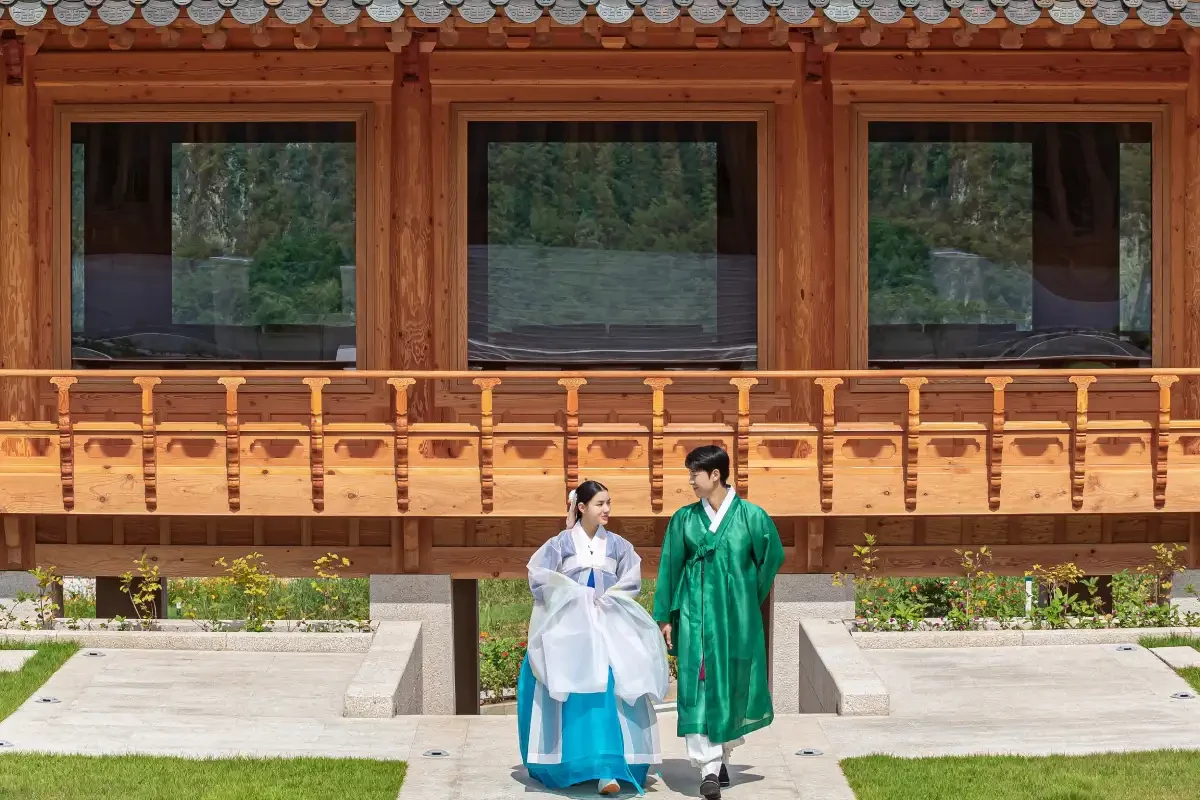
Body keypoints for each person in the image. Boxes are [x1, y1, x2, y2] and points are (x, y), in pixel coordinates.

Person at [518, 479, 669, 796]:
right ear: (582, 507)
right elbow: (540, 578)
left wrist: (608, 599)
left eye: (609, 503)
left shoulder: (618, 546)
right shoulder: (559, 544)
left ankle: (608, 768)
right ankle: (572, 764)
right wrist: (575, 596)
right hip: (570, 629)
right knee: (575, 692)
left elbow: (631, 580)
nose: (607, 510)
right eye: (600, 504)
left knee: (611, 687)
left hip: (607, 624)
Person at [653, 445, 784, 800]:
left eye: (694, 474)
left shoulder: (752, 517)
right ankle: (708, 768)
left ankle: (721, 753)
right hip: (695, 614)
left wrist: (745, 598)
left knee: (730, 682)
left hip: (735, 619)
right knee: (698, 683)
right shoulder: (683, 519)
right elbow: (670, 565)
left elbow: (771, 558)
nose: (690, 481)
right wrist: (664, 615)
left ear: (715, 475)